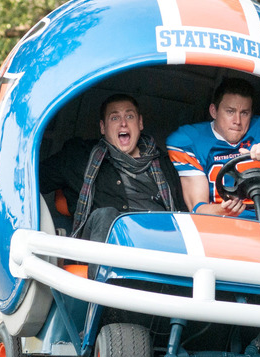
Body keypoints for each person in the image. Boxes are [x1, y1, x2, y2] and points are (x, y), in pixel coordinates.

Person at [40, 94, 185, 245]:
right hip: (108, 249)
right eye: (114, 118)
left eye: (129, 116)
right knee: (106, 215)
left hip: (158, 242)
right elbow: (31, 180)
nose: (123, 123)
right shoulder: (79, 157)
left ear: (140, 123)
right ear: (103, 127)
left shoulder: (167, 163)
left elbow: (187, 212)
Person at [166, 77, 260, 220]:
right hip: (214, 225)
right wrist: (222, 210)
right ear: (214, 111)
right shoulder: (188, 140)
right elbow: (197, 209)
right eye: (230, 111)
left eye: (244, 113)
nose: (237, 121)